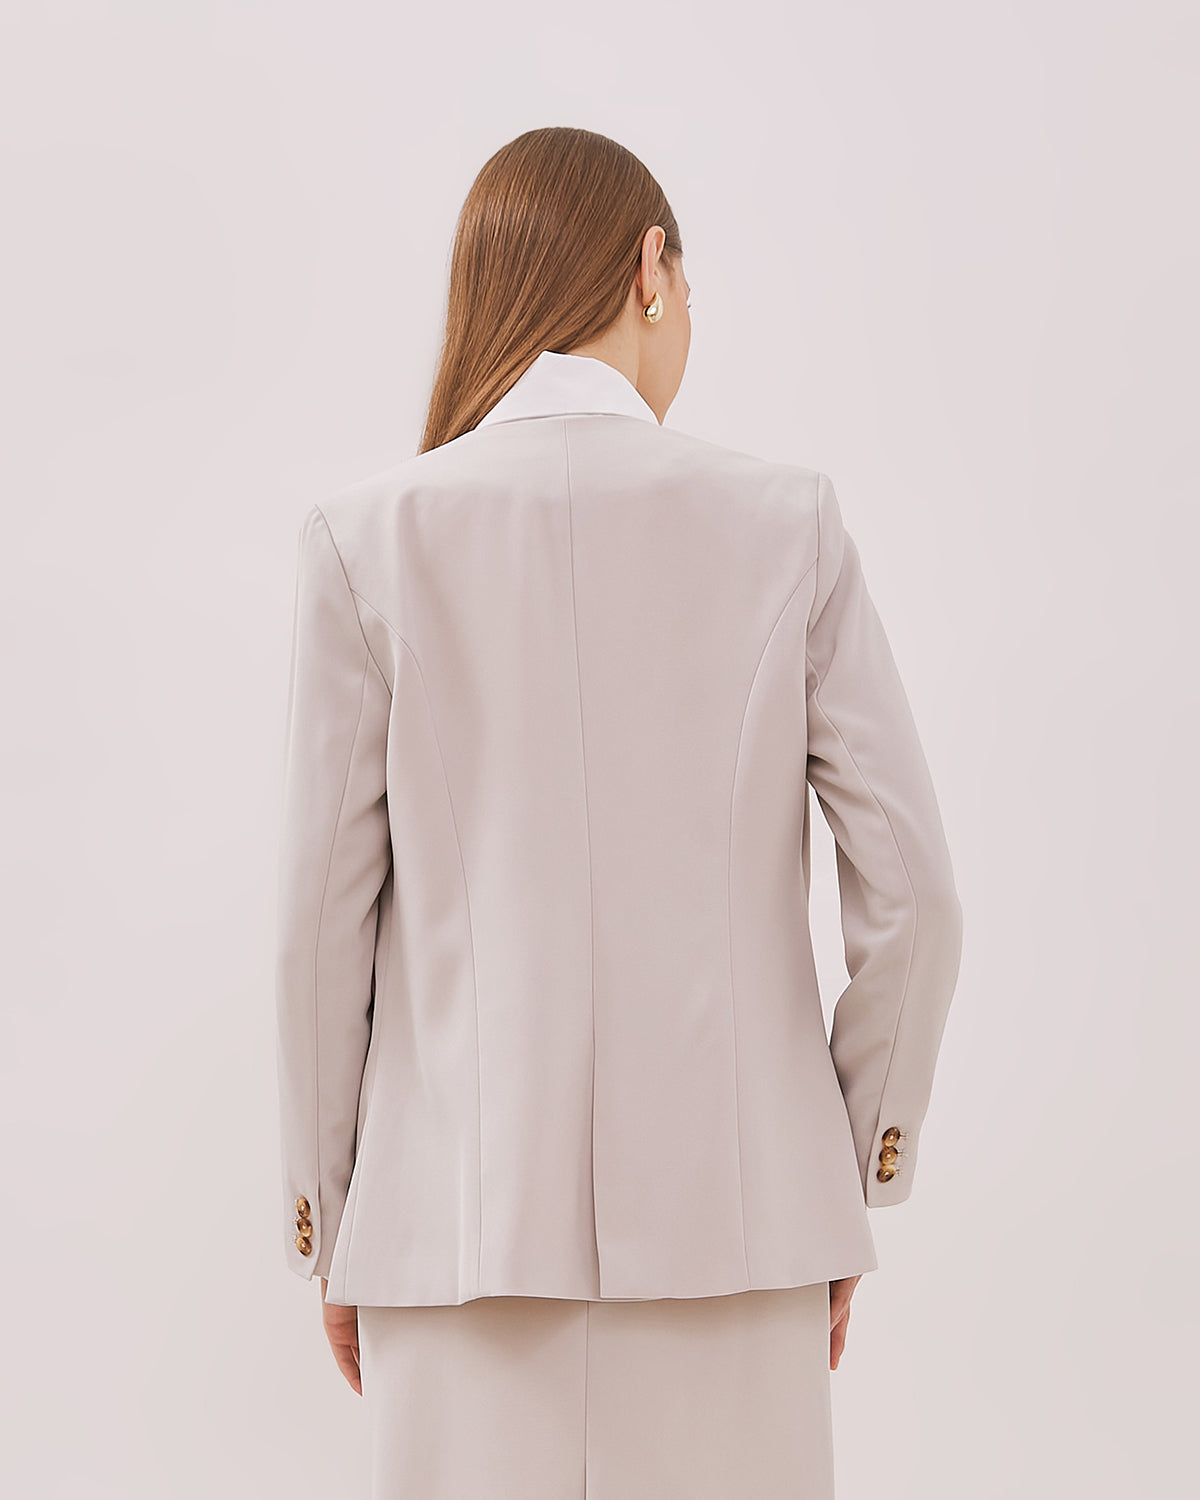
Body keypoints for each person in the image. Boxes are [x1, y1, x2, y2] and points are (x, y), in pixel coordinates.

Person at [273, 124, 963, 1500]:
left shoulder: (367, 539)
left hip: (451, 1254)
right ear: (652, 268)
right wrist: (835, 1170)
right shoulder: (786, 523)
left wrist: (330, 1217)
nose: (688, 317)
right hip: (742, 1245)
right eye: (688, 286)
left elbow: (317, 938)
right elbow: (917, 895)